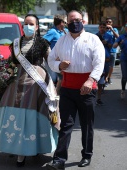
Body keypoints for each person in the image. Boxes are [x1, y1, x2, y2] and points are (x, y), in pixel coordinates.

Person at [0, 14, 60, 167]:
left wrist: (60, 72)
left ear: (36, 27)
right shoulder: (16, 43)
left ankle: (38, 147)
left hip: (38, 82)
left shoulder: (43, 43)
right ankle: (20, 151)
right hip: (19, 81)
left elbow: (51, 62)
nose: (27, 26)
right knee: (15, 112)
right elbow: (12, 64)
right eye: (25, 23)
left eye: (31, 23)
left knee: (40, 113)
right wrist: (1, 73)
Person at [46, 10, 105, 170]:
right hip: (67, 88)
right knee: (66, 124)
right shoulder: (62, 41)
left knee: (87, 125)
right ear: (66, 22)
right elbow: (51, 59)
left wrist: (91, 79)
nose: (74, 22)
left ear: (83, 22)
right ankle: (59, 160)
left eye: (77, 19)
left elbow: (100, 62)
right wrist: (59, 66)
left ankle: (87, 154)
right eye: (71, 20)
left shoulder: (93, 39)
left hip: (87, 88)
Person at [43, 14, 68, 94]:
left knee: (63, 78)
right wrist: (49, 54)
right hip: (54, 60)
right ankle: (54, 94)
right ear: (60, 23)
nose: (65, 24)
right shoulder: (52, 32)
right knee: (56, 78)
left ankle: (56, 94)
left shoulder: (65, 31)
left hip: (64, 60)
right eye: (64, 22)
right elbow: (43, 43)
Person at [96, 22, 113, 105]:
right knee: (99, 77)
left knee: (105, 73)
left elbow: (112, 45)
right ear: (99, 28)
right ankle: (98, 97)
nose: (102, 28)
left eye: (104, 27)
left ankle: (101, 86)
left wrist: (107, 44)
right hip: (98, 59)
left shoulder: (109, 36)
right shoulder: (95, 36)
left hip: (106, 58)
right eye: (101, 27)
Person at [113, 23, 127, 99]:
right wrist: (118, 43)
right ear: (125, 29)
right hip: (124, 58)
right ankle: (123, 90)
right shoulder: (122, 37)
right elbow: (114, 45)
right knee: (125, 76)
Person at [105, 17, 119, 85]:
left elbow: (118, 37)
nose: (108, 23)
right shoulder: (104, 30)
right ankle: (105, 78)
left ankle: (109, 77)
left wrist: (112, 29)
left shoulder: (115, 29)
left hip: (113, 51)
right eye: (107, 22)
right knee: (105, 65)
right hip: (105, 51)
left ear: (112, 23)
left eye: (109, 22)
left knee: (111, 66)